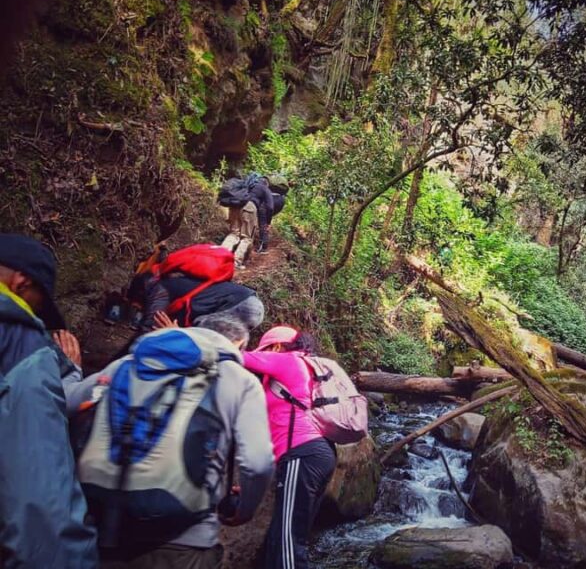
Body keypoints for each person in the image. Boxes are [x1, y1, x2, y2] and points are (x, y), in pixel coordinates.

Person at [67, 316, 275, 569]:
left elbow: (65, 401)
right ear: (239, 342)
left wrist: (71, 370)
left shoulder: (127, 363)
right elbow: (257, 462)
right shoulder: (239, 380)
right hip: (184, 541)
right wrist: (244, 510)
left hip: (106, 527)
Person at [0, 233, 98, 568]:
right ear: (20, 282)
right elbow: (40, 495)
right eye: (37, 304)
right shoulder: (22, 344)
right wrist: (70, 373)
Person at [242, 326, 337, 569]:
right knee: (283, 534)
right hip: (314, 452)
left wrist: (183, 336)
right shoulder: (305, 366)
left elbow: (236, 356)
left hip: (302, 454)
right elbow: (277, 429)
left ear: (274, 347)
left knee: (288, 540)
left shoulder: (287, 361)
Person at [130, 271, 264, 332]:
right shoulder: (178, 283)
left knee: (205, 341)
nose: (140, 309)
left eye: (137, 306)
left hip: (238, 304)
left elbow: (148, 329)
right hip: (249, 303)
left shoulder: (159, 289)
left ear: (141, 291)